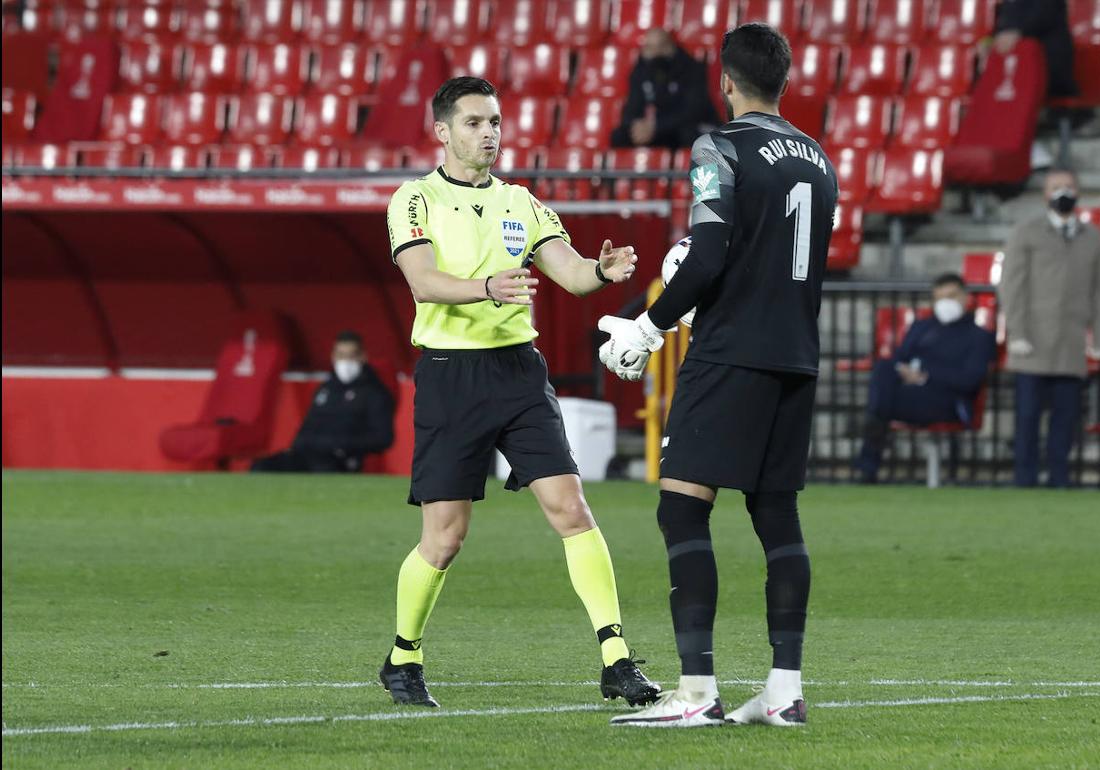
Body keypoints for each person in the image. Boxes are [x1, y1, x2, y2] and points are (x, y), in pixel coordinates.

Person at [380, 76, 659, 709]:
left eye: (496, 122)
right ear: (442, 131)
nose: (490, 135)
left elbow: (569, 271)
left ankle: (616, 659)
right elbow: (422, 281)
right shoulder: (414, 201)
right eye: (476, 123)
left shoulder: (523, 202)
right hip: (452, 375)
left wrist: (601, 271)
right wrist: (489, 288)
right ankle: (404, 656)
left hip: (519, 375)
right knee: (445, 538)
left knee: (572, 510)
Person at [597, 23, 838, 727]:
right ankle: (784, 689)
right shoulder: (819, 158)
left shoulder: (720, 146)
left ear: (725, 81)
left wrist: (647, 328)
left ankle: (697, 693)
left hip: (731, 351)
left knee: (682, 507)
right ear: (783, 81)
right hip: (796, 353)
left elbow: (707, 257)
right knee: (776, 513)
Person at [999, 168, 1100, 488]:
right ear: (1045, 194)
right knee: (1028, 417)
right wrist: (1017, 333)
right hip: (1032, 341)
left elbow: (1099, 291)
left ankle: (1059, 477)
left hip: (1070, 342)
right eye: (1056, 187)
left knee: (1065, 419)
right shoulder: (1027, 232)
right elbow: (1012, 286)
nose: (1063, 191)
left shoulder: (1091, 237)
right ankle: (1025, 478)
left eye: (1069, 186)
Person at [854, 275, 997, 484]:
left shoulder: (978, 336)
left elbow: (969, 380)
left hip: (948, 400)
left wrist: (926, 375)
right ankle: (868, 465)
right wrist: (906, 372)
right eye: (939, 298)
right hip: (910, 395)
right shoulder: (922, 327)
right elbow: (899, 360)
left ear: (965, 298)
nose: (945, 303)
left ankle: (868, 467)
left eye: (951, 296)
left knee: (879, 404)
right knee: (884, 368)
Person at [250, 331, 395, 473]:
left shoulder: (374, 393)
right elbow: (309, 423)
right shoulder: (326, 388)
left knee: (321, 469)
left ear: (363, 357)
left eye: (351, 356)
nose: (346, 361)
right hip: (307, 454)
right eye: (341, 355)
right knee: (262, 466)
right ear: (333, 356)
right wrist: (297, 445)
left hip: (339, 460)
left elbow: (383, 438)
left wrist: (340, 444)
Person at [609, 28, 721, 150]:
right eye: (650, 48)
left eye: (662, 46)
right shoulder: (640, 72)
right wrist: (638, 126)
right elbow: (632, 107)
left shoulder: (692, 69)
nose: (656, 52)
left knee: (688, 135)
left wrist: (656, 126)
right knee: (621, 136)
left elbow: (693, 111)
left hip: (689, 125)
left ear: (672, 46)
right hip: (659, 128)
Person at [992, 0, 1077, 100]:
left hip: (1048, 62)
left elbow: (1044, 15)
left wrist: (1018, 33)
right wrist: (989, 44)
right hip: (1016, 68)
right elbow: (1003, 26)